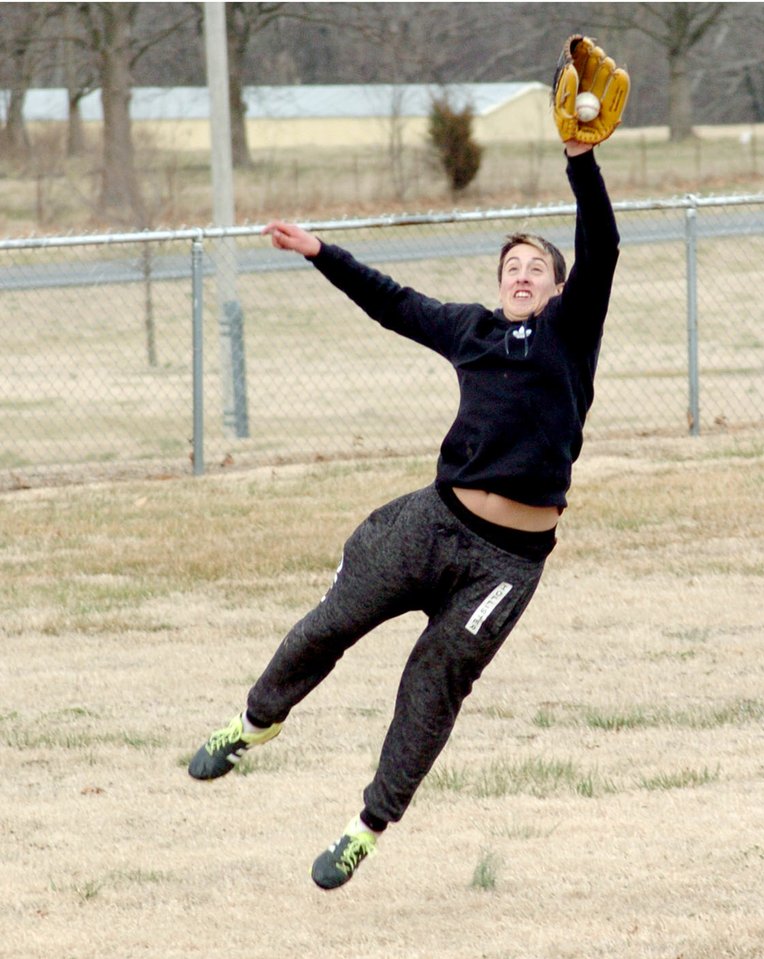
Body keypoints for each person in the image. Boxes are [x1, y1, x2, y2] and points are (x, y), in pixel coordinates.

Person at [188, 133, 619, 891]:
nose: (523, 274)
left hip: (504, 564)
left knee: (431, 685)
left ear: (557, 288)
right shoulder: (472, 330)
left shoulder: (568, 334)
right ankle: (254, 721)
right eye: (512, 266)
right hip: (433, 523)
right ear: (499, 284)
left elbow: (603, 240)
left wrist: (580, 161)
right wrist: (322, 251)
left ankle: (365, 830)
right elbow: (391, 303)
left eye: (537, 268)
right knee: (332, 622)